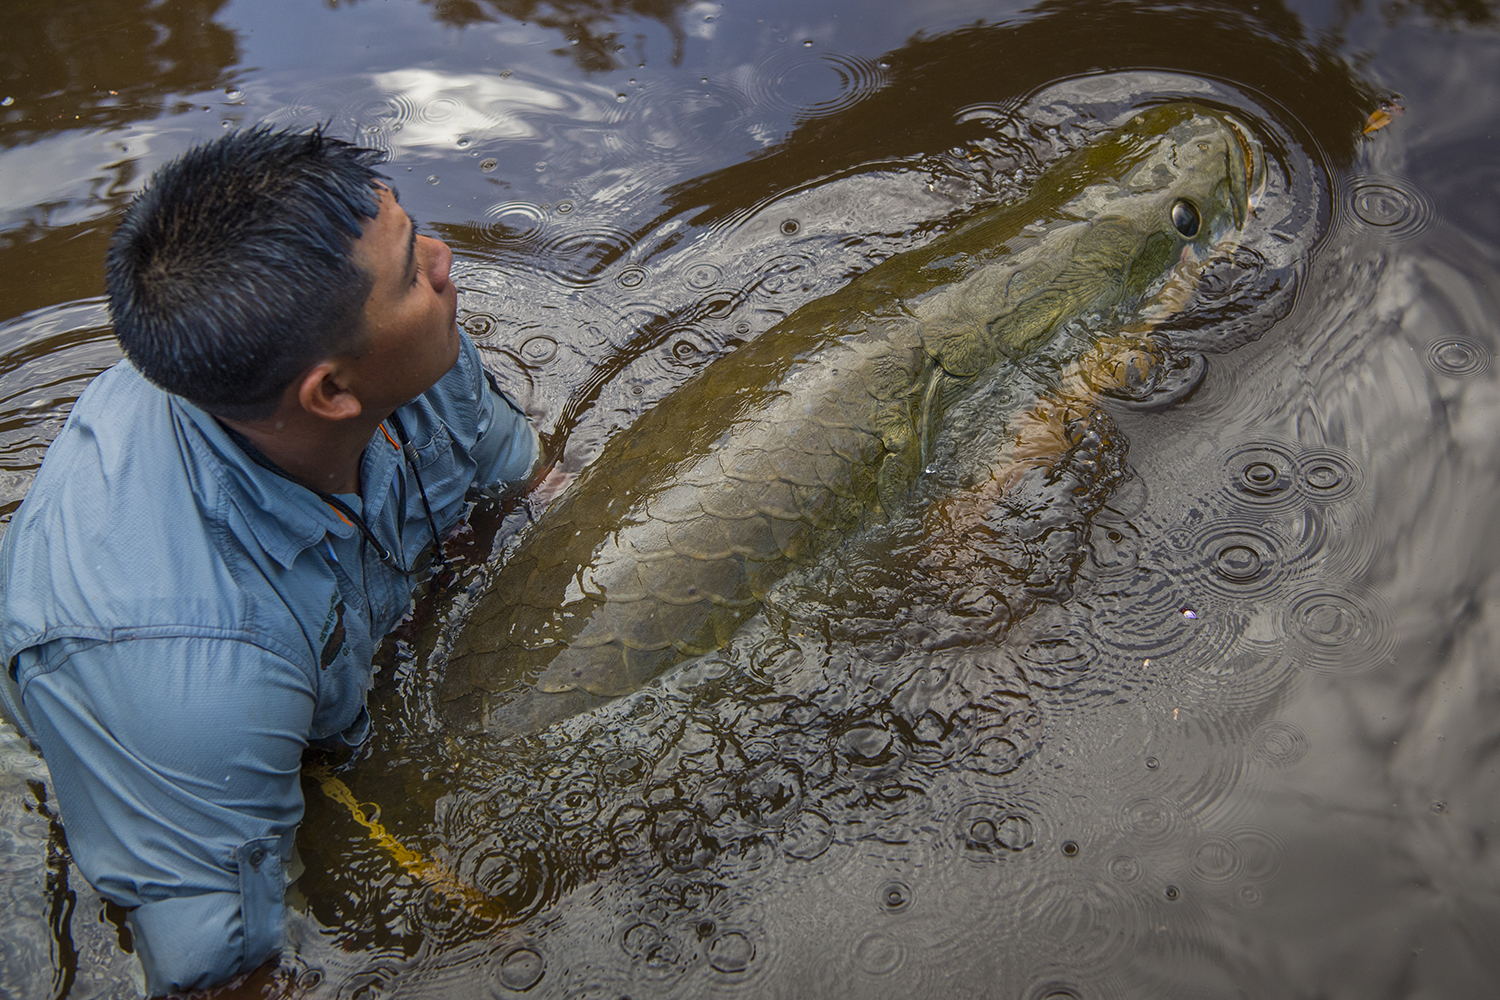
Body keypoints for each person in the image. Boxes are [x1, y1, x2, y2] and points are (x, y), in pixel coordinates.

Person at [0, 126, 543, 993]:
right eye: (412, 273)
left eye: (414, 237)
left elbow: (525, 498)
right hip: (127, 730)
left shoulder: (403, 349)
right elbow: (230, 982)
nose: (445, 263)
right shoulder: (189, 682)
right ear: (330, 392)